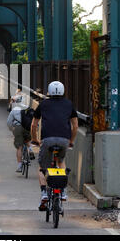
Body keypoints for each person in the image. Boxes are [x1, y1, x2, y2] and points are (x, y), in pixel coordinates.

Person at [30, 81, 78, 209]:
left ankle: (44, 193)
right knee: (61, 161)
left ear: (49, 91)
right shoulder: (69, 104)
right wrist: (71, 141)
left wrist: (35, 140)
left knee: (42, 166)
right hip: (64, 140)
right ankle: (62, 191)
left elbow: (34, 125)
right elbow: (75, 126)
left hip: (47, 139)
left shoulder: (43, 104)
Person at [7, 103, 34, 173]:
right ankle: (30, 149)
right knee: (28, 140)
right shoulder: (28, 108)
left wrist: (12, 129)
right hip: (27, 127)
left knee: (19, 147)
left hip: (18, 127)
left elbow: (9, 122)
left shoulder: (14, 110)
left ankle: (19, 166)